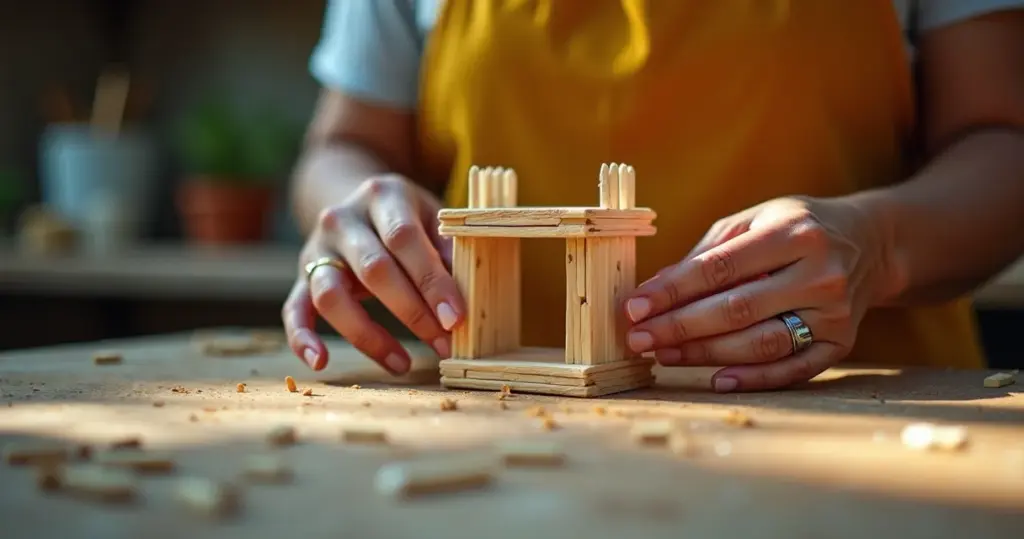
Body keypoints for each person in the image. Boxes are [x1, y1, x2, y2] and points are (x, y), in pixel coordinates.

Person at [283, 0, 1024, 392]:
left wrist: (879, 243)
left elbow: (1005, 142)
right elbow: (343, 144)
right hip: (496, 419)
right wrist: (355, 207)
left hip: (862, 408)